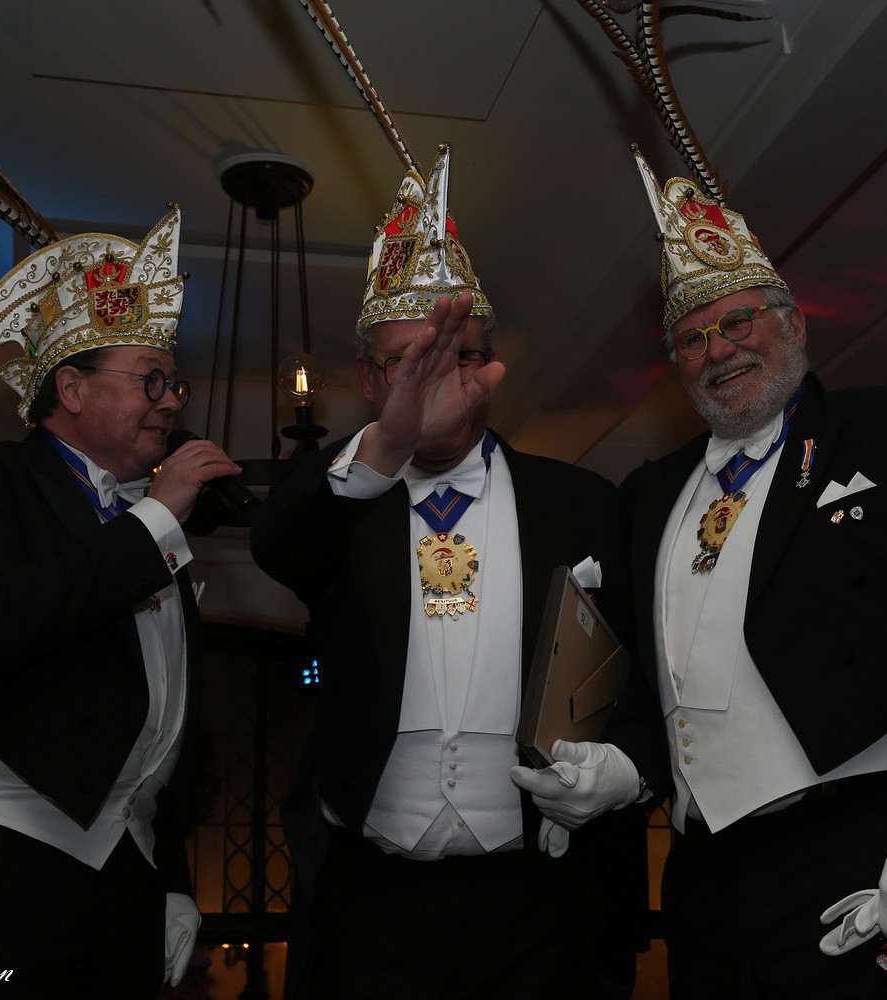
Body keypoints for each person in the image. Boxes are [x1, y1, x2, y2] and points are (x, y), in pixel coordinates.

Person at [512, 147, 887, 998]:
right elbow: (660, 687)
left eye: (737, 322)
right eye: (692, 337)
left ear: (794, 323)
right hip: (705, 883)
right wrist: (621, 770)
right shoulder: (650, 495)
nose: (718, 350)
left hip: (871, 853)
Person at [252, 145, 641, 1000]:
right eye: (409, 361)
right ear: (368, 379)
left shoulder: (582, 503)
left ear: (488, 367)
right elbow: (277, 547)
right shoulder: (339, 501)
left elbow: (644, 668)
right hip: (374, 898)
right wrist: (390, 441)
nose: (438, 379)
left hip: (541, 898)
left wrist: (630, 767)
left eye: (459, 356)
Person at [0, 206, 235, 996]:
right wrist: (157, 520)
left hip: (127, 881)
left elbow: (162, 725)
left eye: (174, 382)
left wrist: (171, 877)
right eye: (150, 379)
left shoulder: (149, 519)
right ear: (70, 387)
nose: (171, 401)